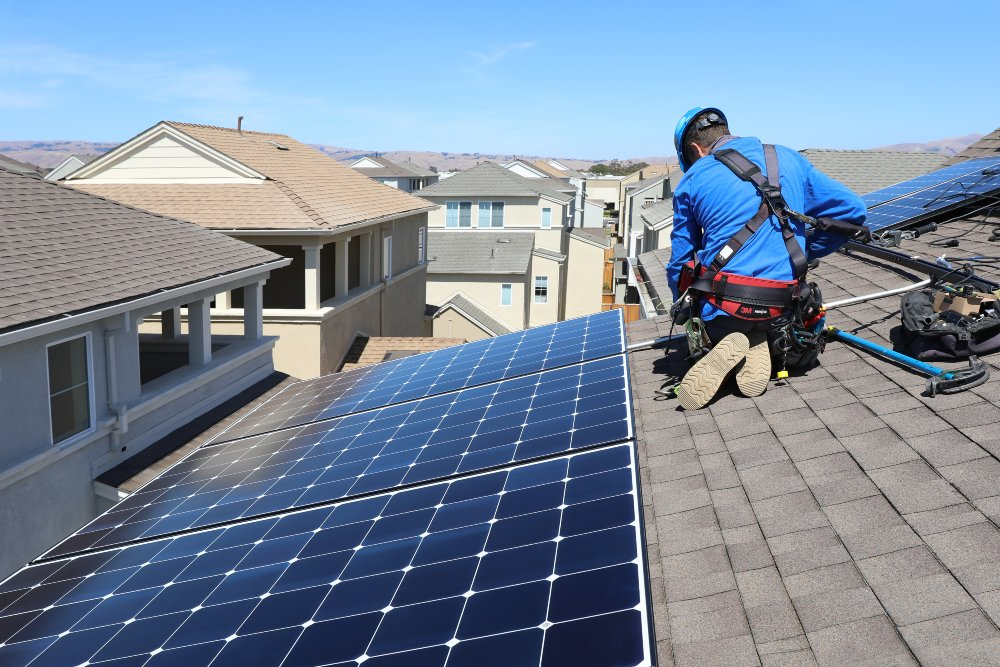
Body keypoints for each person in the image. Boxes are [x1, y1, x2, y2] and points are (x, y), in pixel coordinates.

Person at [667, 107, 868, 410]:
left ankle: (727, 342)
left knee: (714, 306)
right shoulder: (788, 157)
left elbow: (680, 262)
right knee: (768, 316)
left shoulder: (694, 178)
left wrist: (682, 308)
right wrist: (803, 252)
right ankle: (760, 339)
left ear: (695, 149)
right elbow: (853, 211)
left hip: (725, 306)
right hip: (783, 305)